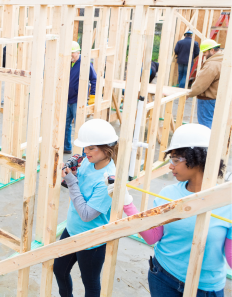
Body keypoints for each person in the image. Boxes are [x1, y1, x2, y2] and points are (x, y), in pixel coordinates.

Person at [112, 124, 231, 297]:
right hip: (163, 277)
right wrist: (127, 202)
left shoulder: (227, 202)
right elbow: (153, 237)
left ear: (197, 158)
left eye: (176, 160)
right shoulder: (168, 194)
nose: (170, 166)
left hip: (204, 288)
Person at [54, 119, 118, 297]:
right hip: (72, 230)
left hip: (92, 241)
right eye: (85, 147)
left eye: (91, 148)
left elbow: (86, 214)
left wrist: (72, 182)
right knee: (59, 270)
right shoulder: (89, 163)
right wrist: (72, 176)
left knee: (90, 284)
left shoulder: (108, 180)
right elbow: (78, 190)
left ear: (107, 149)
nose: (85, 152)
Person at [64, 41, 97, 154]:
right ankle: (66, 147)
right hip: (66, 99)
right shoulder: (67, 62)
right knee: (65, 125)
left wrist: (93, 95)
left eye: (72, 53)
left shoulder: (85, 63)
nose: (71, 56)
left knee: (80, 127)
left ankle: (83, 153)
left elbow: (94, 79)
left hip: (78, 101)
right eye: (69, 53)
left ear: (78, 52)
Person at [188, 39, 223, 129]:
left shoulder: (212, 64)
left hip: (207, 100)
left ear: (212, 50)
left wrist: (189, 94)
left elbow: (200, 85)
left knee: (205, 126)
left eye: (205, 52)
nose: (203, 54)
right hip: (217, 98)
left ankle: (207, 143)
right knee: (214, 124)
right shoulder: (223, 61)